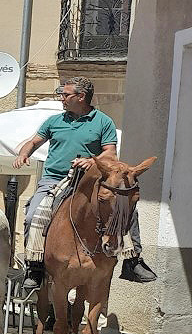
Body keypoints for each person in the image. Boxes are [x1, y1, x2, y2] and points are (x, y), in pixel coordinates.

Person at [14, 76, 155, 289]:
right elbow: (34, 141)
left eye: (66, 94)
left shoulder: (103, 121)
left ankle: (133, 259)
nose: (61, 97)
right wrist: (24, 153)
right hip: (55, 179)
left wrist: (91, 161)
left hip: (92, 181)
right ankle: (35, 265)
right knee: (34, 213)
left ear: (81, 97)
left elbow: (110, 153)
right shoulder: (55, 121)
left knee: (126, 207)